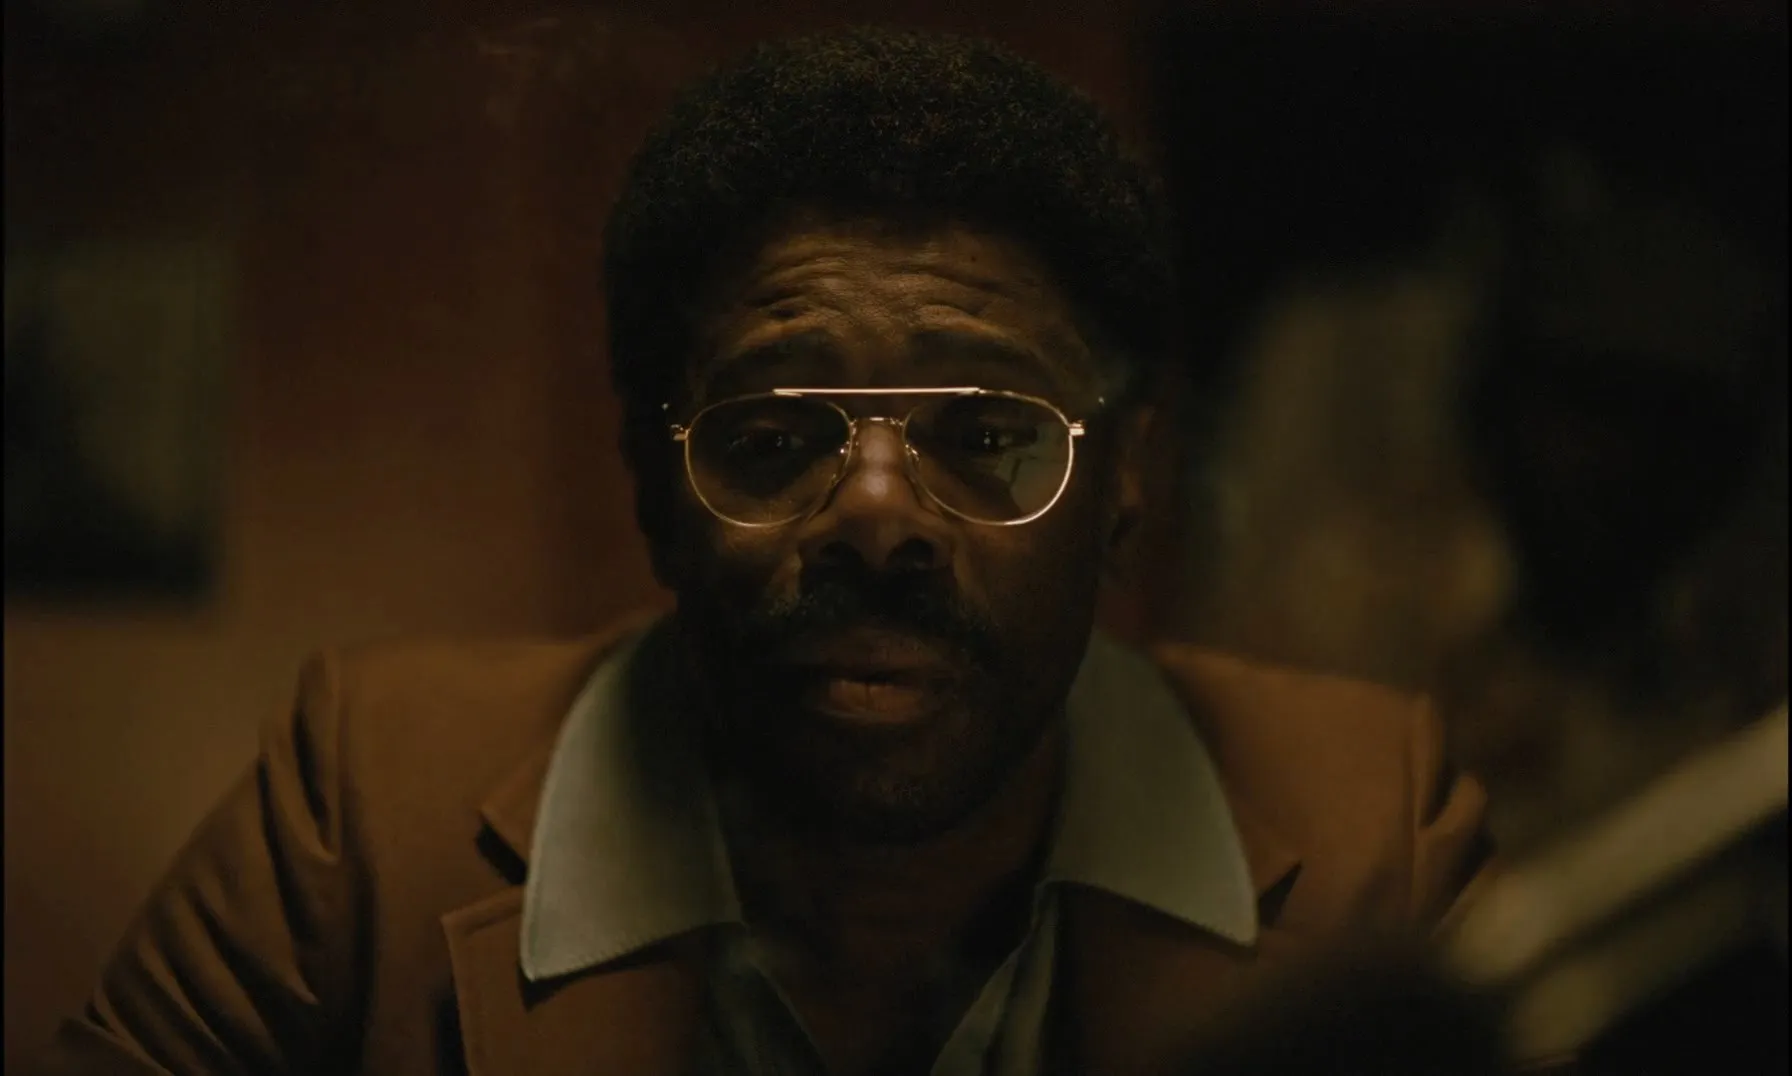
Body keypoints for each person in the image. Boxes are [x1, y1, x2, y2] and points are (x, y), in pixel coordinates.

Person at [35, 28, 1489, 1076]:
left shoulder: (1373, 835)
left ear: (1122, 485)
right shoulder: (363, 809)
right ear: (649, 483)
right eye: (775, 437)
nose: (878, 515)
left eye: (988, 435)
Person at [1146, 10, 1787, 1074]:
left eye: (1673, 422)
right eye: (1587, 404)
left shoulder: (1726, 703)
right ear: (1503, 396)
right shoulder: (1349, 602)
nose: (1619, 462)